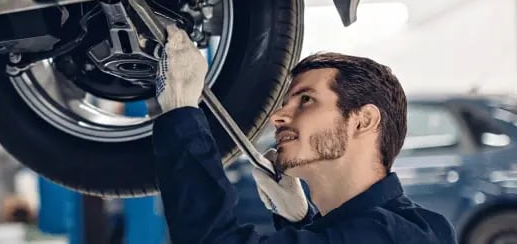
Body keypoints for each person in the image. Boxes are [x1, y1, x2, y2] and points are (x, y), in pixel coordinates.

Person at [152, 25, 457, 243]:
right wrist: (301, 219)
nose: (278, 116)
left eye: (306, 100)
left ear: (363, 121)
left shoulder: (388, 234)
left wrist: (181, 112)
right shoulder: (423, 227)